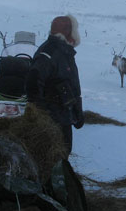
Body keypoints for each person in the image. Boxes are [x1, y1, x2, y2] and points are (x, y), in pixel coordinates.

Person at [26, 15, 84, 155]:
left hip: (63, 114)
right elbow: (33, 83)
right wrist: (41, 115)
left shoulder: (64, 51)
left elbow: (70, 85)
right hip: (53, 118)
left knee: (63, 154)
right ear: (68, 32)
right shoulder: (49, 52)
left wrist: (77, 111)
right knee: (54, 157)